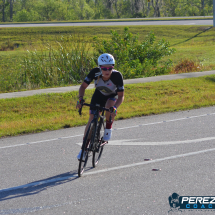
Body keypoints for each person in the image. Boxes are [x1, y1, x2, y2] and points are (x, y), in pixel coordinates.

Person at [76, 53, 124, 160]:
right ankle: (84, 149)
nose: (107, 71)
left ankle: (108, 127)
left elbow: (121, 96)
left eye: (110, 68)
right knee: (92, 118)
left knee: (109, 107)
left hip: (112, 95)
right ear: (99, 67)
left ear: (113, 67)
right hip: (99, 95)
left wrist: (115, 107)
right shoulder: (94, 72)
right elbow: (83, 87)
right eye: (104, 68)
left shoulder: (117, 76)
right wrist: (80, 98)